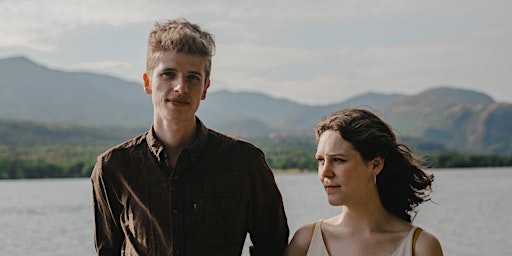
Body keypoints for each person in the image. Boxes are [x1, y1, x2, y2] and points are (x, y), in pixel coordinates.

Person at [91, 18, 289, 256]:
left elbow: (273, 247)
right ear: (147, 83)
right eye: (168, 74)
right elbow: (107, 251)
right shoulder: (114, 168)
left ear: (205, 88)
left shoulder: (246, 163)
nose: (180, 87)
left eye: (193, 77)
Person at [286, 108, 443, 256]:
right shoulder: (305, 242)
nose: (325, 172)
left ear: (375, 165)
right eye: (321, 160)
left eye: (338, 160)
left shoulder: (420, 247)